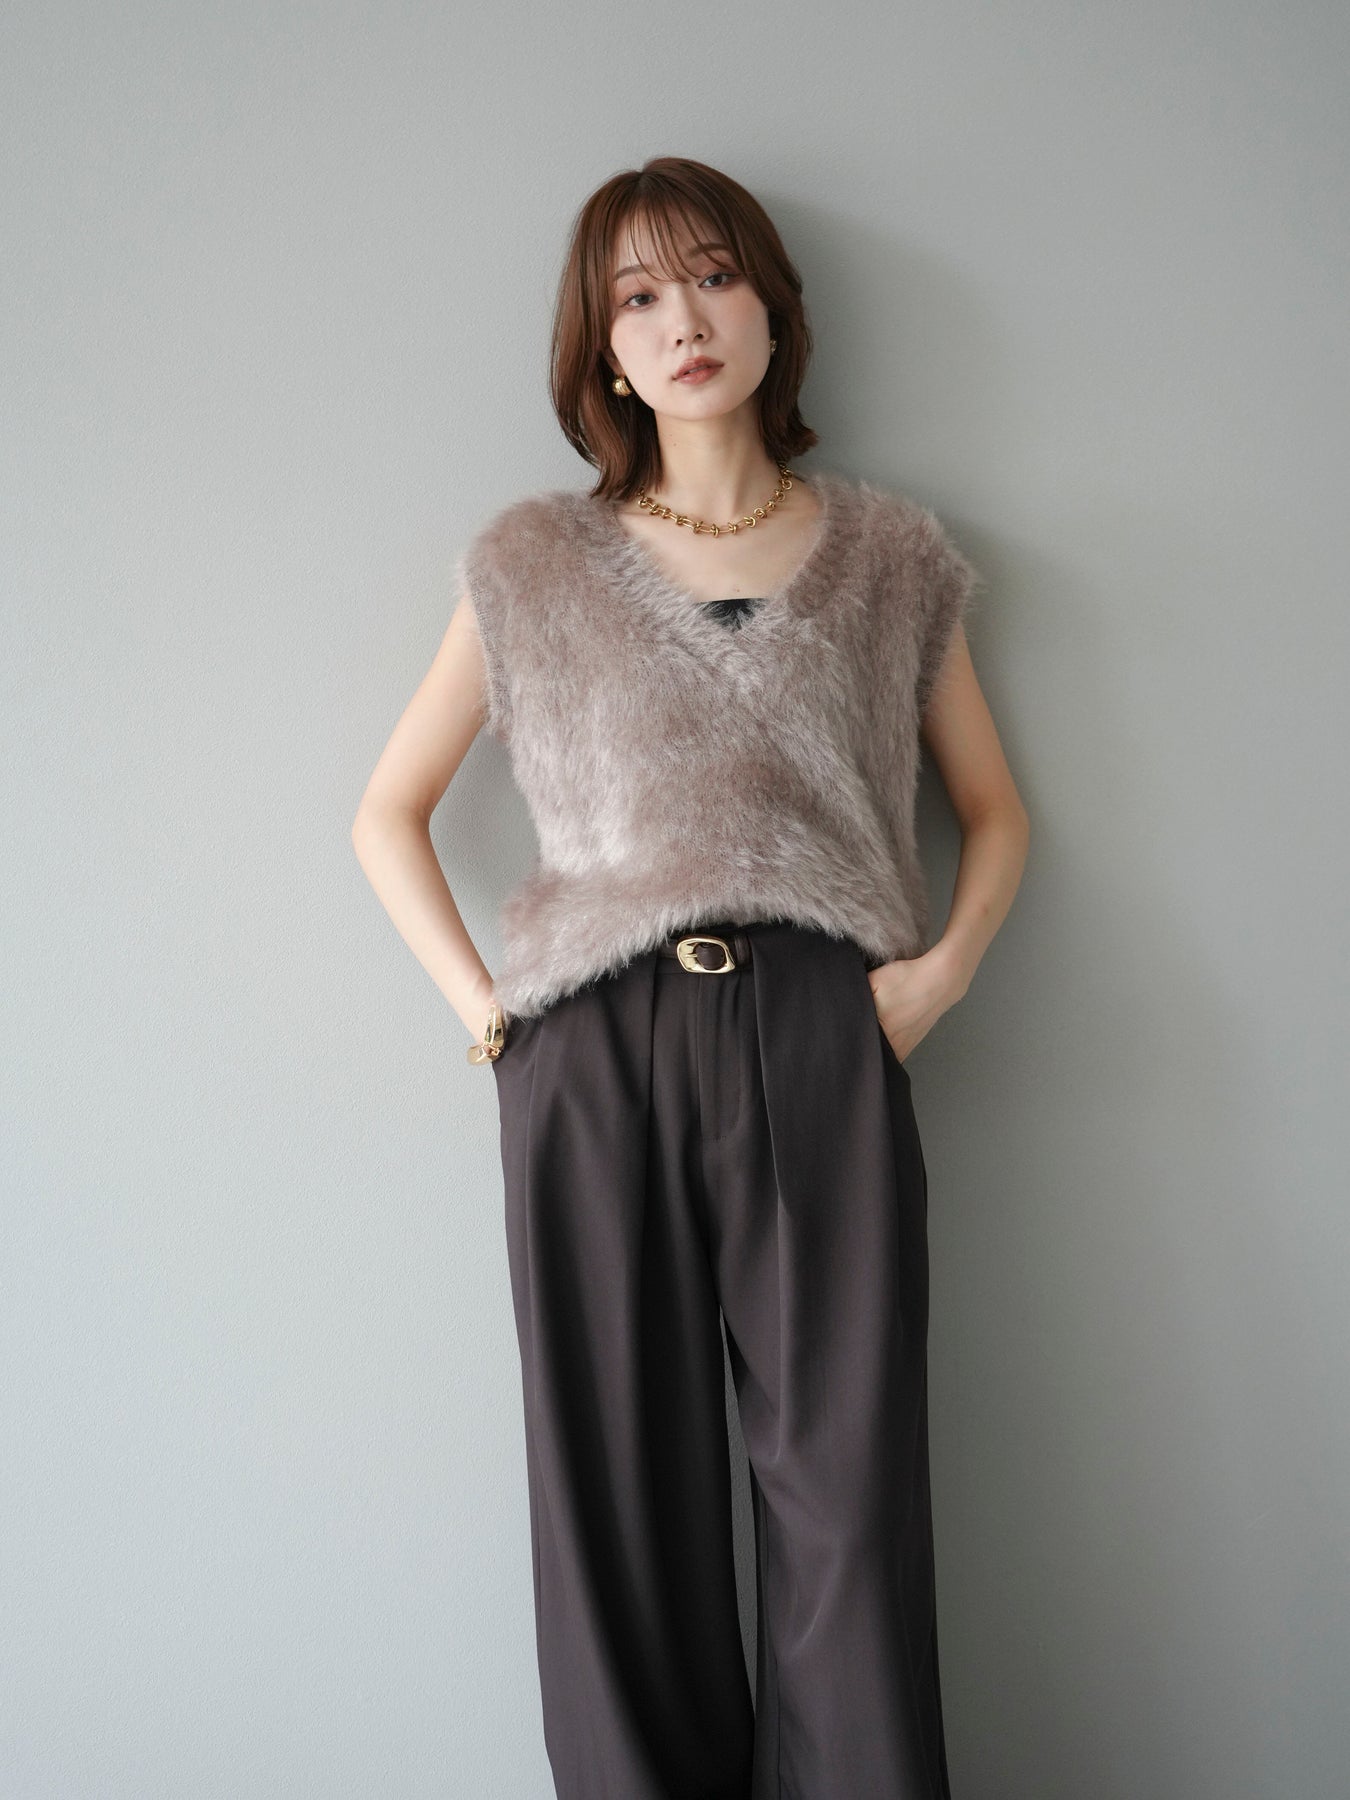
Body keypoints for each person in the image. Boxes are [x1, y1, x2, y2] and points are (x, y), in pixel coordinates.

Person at [353, 155, 1029, 1800]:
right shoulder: (532, 562)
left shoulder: (889, 557)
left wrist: (932, 982)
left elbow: (997, 810)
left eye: (713, 277)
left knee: (848, 1501)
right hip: (591, 1049)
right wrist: (493, 1026)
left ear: (772, 309)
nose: (683, 321)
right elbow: (385, 812)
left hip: (820, 1032)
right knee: (618, 1508)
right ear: (599, 349)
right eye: (638, 297)